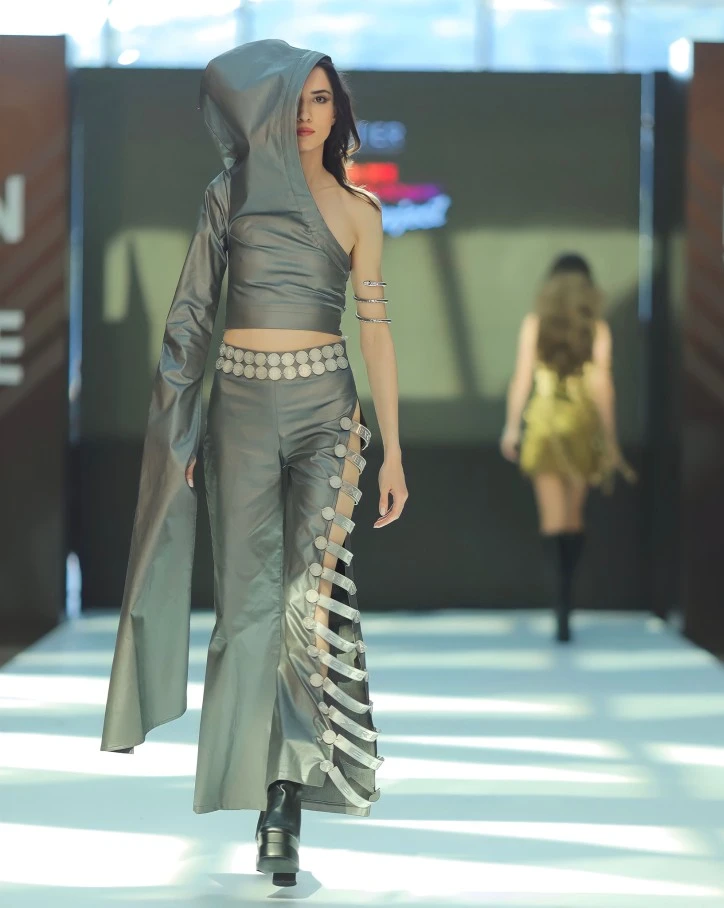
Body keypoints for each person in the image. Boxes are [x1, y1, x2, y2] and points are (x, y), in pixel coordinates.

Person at [100, 39, 408, 887]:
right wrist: (180, 428)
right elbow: (190, 318)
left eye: (322, 99)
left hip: (328, 417)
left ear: (339, 113)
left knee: (308, 605)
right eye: (296, 99)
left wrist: (392, 450)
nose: (308, 114)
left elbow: (376, 335)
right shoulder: (227, 193)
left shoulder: (360, 212)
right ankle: (261, 780)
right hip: (235, 412)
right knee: (244, 610)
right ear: (270, 107)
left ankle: (284, 800)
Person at [500, 253, 634, 643]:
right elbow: (602, 386)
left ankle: (560, 604)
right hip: (581, 428)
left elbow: (521, 379)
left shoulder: (535, 324)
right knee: (574, 519)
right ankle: (567, 602)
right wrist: (611, 442)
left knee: (553, 521)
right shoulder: (596, 328)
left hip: (544, 426)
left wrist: (512, 427)